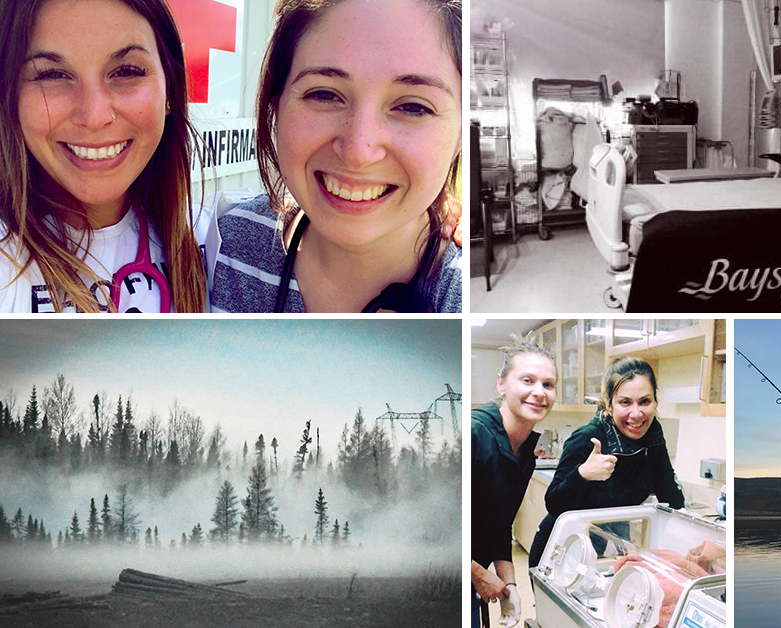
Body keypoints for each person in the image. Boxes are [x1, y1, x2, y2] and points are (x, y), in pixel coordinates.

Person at [208, 0, 462, 312]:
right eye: (324, 94)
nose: (357, 152)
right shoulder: (219, 250)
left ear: (463, 130)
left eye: (413, 107)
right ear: (276, 104)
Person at [0, 0, 208, 312]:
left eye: (126, 71)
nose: (94, 116)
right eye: (52, 74)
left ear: (171, 91)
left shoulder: (221, 243)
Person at [527, 356, 686, 567]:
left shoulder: (653, 436)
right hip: (561, 548)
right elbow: (554, 503)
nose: (636, 414)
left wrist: (688, 534)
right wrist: (582, 474)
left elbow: (670, 495)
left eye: (645, 401)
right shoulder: (588, 437)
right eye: (625, 402)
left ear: (655, 401)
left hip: (605, 550)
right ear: (609, 404)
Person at [471, 336, 557, 628]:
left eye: (548, 384)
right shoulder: (473, 435)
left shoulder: (524, 453)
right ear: (501, 384)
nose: (539, 392)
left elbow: (499, 524)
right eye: (527, 380)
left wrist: (511, 587)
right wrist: (479, 576)